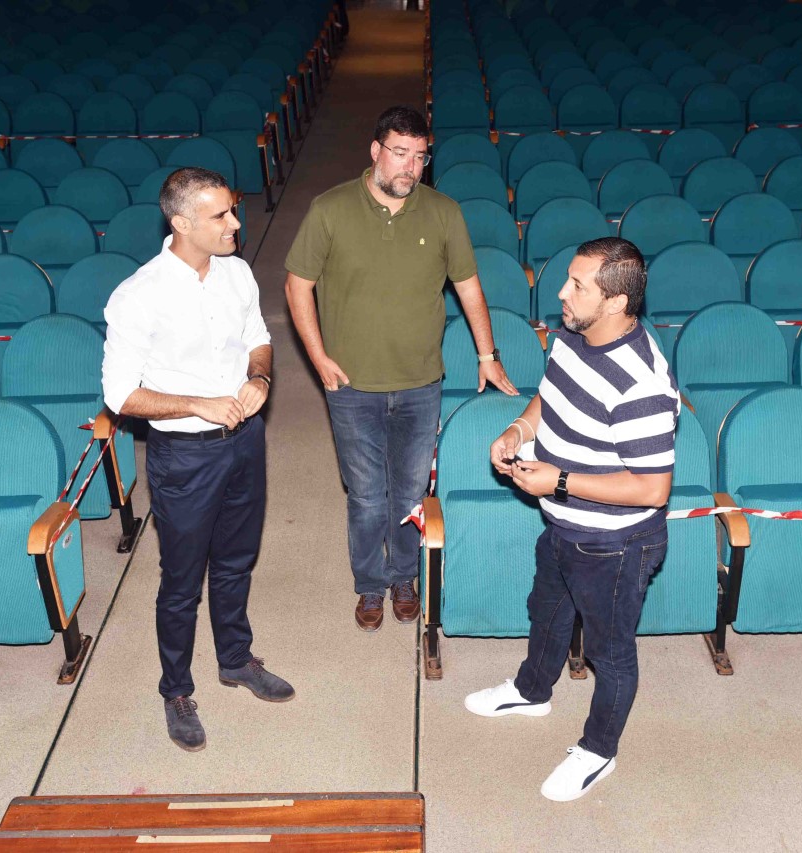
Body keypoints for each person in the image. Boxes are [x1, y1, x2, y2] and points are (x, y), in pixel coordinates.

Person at [284, 106, 518, 632]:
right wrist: (318, 357)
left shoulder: (443, 212)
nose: (408, 167)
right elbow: (298, 285)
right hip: (351, 385)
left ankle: (404, 575)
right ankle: (370, 585)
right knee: (367, 496)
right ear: (375, 151)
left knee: (411, 494)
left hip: (420, 383)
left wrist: (487, 354)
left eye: (419, 156)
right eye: (399, 153)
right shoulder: (330, 209)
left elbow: (468, 287)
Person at [465, 237, 679, 802]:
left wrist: (557, 481)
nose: (561, 292)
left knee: (610, 655)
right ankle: (532, 690)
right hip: (563, 525)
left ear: (615, 302)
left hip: (614, 544)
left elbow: (653, 490)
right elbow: (550, 396)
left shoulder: (642, 383)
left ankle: (598, 751)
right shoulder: (575, 332)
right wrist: (519, 428)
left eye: (578, 285)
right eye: (568, 279)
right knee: (547, 612)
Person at [102, 167, 293, 753]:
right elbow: (119, 394)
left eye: (233, 210)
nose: (236, 222)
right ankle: (176, 689)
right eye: (221, 216)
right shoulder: (138, 295)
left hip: (244, 444)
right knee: (181, 582)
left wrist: (258, 378)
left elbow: (258, 335)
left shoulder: (235, 273)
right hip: (183, 455)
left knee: (237, 561)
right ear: (182, 223)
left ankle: (235, 659)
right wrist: (197, 404)